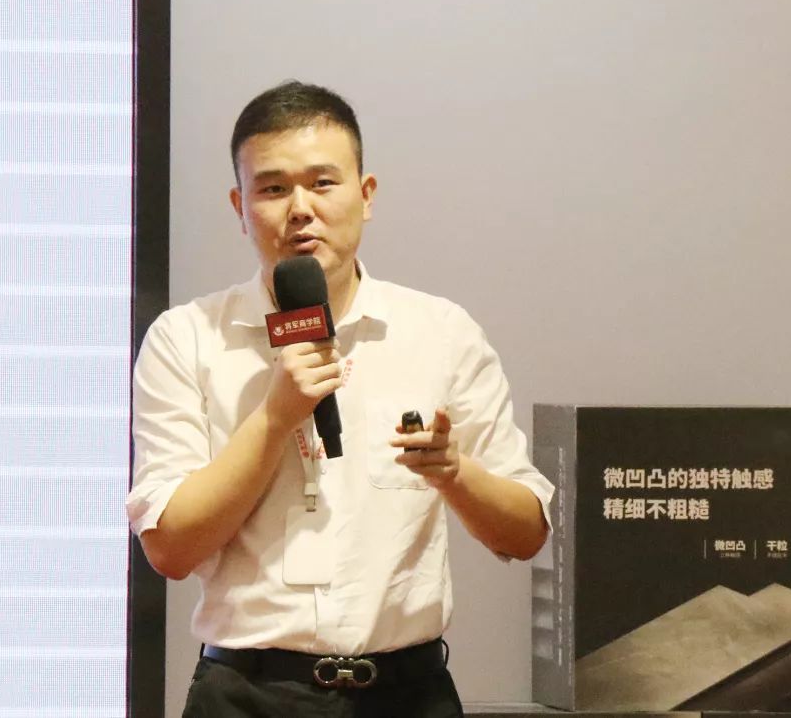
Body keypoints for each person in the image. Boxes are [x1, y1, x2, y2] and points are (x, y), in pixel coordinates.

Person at [127, 80, 553, 717]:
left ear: (366, 194)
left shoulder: (440, 332)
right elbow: (170, 549)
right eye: (273, 189)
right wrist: (274, 418)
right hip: (244, 694)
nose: (300, 209)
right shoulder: (187, 337)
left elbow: (526, 533)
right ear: (239, 206)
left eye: (323, 183)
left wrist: (454, 473)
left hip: (407, 695)